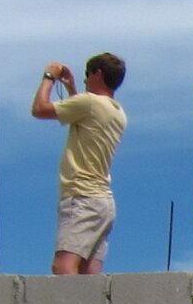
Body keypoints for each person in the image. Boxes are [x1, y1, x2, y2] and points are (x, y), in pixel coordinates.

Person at [30, 52, 126, 275]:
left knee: (63, 267)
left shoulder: (88, 103)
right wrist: (71, 89)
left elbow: (39, 109)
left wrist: (49, 77)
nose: (84, 79)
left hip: (82, 196)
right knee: (89, 274)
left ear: (97, 74)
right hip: (103, 201)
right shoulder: (117, 111)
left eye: (86, 74)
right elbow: (82, 115)